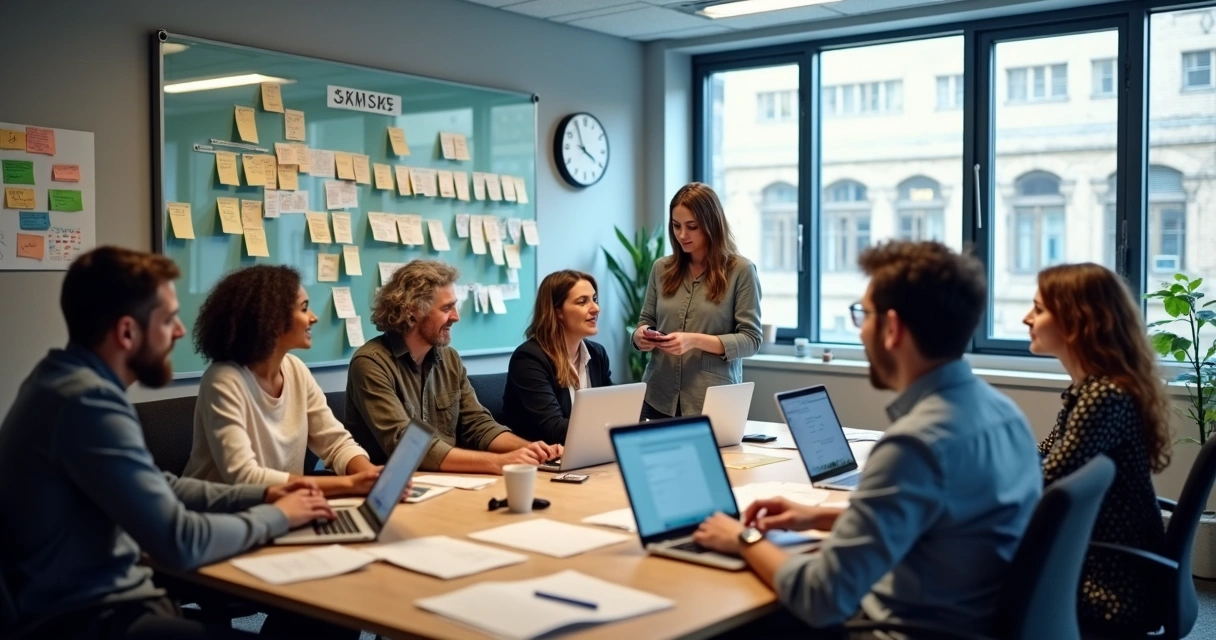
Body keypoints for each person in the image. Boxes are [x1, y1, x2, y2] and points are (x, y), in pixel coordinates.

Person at [693, 241, 1042, 636]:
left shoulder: (915, 446)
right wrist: (816, 516)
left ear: (892, 328)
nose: (861, 332)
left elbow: (821, 598)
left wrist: (744, 538)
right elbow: (945, 523)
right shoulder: (1006, 415)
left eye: (864, 315)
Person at [0, 247, 333, 639]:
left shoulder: (62, 381)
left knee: (319, 616)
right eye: (169, 319)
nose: (179, 331)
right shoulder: (85, 403)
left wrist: (268, 496)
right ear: (127, 332)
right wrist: (279, 516)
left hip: (105, 605)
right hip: (90, 619)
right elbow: (180, 541)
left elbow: (162, 484)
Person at [1023, 262, 1171, 634]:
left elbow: (1049, 485)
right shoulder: (1092, 389)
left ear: (1077, 321)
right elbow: (1046, 456)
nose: (1027, 318)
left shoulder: (1103, 395)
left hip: (1111, 583)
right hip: (1099, 560)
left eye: (1039, 310)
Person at [345, 259, 561, 474]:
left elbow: (477, 424)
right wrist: (497, 462)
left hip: (446, 480)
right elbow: (406, 446)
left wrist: (531, 449)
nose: (456, 317)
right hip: (390, 486)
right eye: (447, 308)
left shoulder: (449, 359)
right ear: (412, 311)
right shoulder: (371, 363)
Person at [184, 265, 380, 496]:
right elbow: (244, 477)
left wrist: (371, 476)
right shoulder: (223, 380)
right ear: (271, 318)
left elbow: (336, 444)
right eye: (304, 309)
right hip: (219, 517)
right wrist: (349, 484)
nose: (313, 318)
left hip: (282, 507)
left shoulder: (296, 370)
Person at [632, 182, 762, 419]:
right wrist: (640, 335)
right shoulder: (661, 268)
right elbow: (645, 320)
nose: (682, 235)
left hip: (713, 402)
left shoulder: (740, 271)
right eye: (676, 225)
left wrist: (693, 341)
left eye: (692, 226)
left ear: (712, 224)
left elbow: (751, 340)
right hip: (656, 396)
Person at [502, 270, 613, 444]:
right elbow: (552, 429)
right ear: (557, 311)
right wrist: (610, 426)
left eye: (595, 299)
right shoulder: (528, 359)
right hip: (540, 461)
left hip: (587, 452)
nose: (596, 308)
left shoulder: (597, 354)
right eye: (583, 302)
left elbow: (610, 409)